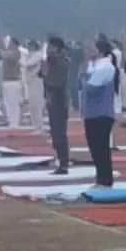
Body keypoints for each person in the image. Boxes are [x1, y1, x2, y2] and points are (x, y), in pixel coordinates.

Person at [81, 37, 118, 189]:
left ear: (100, 51)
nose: (88, 51)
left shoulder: (105, 67)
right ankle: (101, 179)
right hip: (92, 113)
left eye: (92, 48)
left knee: (101, 149)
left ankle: (105, 180)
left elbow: (91, 89)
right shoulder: (95, 66)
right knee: (95, 149)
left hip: (101, 114)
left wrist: (84, 79)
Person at [42, 37, 71, 174]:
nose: (48, 50)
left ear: (56, 48)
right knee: (55, 133)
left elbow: (56, 82)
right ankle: (60, 159)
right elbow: (42, 74)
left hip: (59, 101)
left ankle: (64, 163)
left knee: (59, 133)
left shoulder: (61, 62)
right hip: (53, 100)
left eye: (50, 47)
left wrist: (46, 76)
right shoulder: (51, 61)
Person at [0, 37, 24, 129]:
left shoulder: (17, 52)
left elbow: (9, 57)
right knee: (8, 103)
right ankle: (11, 121)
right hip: (6, 80)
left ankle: (15, 122)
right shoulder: (8, 52)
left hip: (14, 81)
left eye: (10, 43)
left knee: (14, 103)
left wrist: (3, 51)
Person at [22, 39, 45, 130]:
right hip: (30, 82)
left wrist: (25, 58)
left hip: (37, 81)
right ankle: (35, 126)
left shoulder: (38, 55)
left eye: (30, 45)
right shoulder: (29, 55)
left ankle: (39, 126)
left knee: (37, 105)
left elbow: (27, 64)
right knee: (32, 106)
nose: (28, 47)